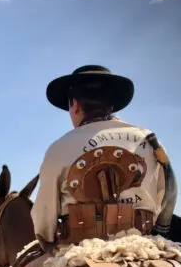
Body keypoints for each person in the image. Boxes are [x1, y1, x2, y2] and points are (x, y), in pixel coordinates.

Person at [32, 65, 172, 247]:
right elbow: (164, 196)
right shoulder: (150, 141)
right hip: (142, 244)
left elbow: (44, 215)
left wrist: (46, 239)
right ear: (112, 105)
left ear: (75, 105)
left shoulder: (59, 148)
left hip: (78, 248)